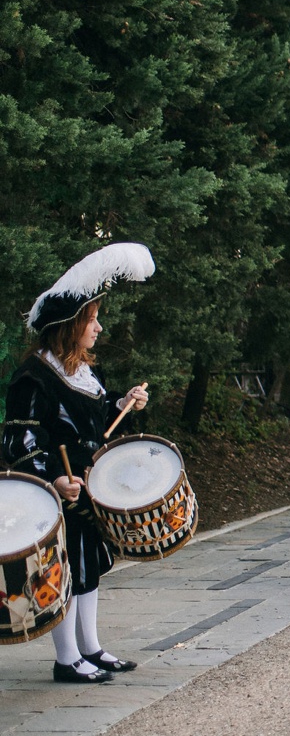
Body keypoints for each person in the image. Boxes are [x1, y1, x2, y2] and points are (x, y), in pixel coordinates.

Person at [3, 244, 154, 683]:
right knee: (65, 571)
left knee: (89, 566)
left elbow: (95, 420)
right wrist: (53, 478)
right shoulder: (32, 377)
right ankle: (67, 659)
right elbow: (21, 441)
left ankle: (91, 648)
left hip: (86, 487)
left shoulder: (82, 371)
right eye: (91, 320)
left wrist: (123, 403)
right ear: (70, 327)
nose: (99, 327)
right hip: (59, 491)